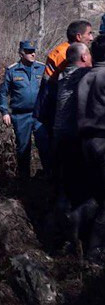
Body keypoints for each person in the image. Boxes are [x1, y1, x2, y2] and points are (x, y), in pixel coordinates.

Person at [51, 43, 93, 249]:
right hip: (71, 139)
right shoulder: (82, 75)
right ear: (84, 57)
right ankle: (70, 237)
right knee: (76, 189)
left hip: (60, 136)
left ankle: (61, 232)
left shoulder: (63, 74)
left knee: (65, 185)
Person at [0, 40, 49, 178]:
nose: (32, 54)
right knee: (23, 148)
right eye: (28, 51)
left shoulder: (41, 68)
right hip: (21, 116)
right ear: (21, 53)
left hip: (40, 115)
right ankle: (24, 181)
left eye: (33, 51)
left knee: (45, 146)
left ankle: (49, 178)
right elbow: (3, 93)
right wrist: (5, 112)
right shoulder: (12, 70)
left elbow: (48, 90)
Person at [34, 21, 94, 132]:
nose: (91, 38)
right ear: (79, 36)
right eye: (89, 33)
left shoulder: (72, 49)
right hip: (52, 105)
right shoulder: (63, 54)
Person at [77, 35, 105, 262]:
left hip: (86, 141)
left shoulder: (85, 77)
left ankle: (76, 235)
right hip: (103, 141)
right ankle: (94, 250)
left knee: (94, 193)